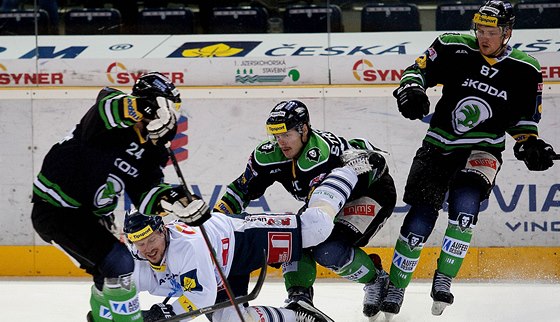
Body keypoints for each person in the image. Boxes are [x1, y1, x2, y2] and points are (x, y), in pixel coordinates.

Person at [382, 0, 557, 319]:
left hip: (483, 150)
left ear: (507, 32)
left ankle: (444, 278)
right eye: (479, 29)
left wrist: (529, 145)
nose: (483, 37)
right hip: (438, 146)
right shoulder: (452, 46)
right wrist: (412, 90)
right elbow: (416, 71)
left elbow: (523, 123)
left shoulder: (526, 69)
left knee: (464, 214)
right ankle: (396, 286)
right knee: (419, 220)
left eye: (491, 31)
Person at [31, 72, 209, 322]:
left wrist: (176, 200)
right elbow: (110, 106)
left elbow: (146, 196)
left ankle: (102, 319)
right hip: (56, 208)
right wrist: (146, 108)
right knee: (120, 263)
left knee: (112, 274)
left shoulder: (150, 152)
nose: (170, 116)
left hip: (90, 219)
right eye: (165, 108)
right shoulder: (109, 113)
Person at [124, 149, 374, 322]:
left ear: (162, 229)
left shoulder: (186, 247)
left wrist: (162, 312)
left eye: (151, 240)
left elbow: (201, 296)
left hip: (241, 239)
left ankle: (346, 170)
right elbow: (117, 286)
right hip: (218, 273)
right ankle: (296, 315)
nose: (147, 249)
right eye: (140, 243)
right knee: (233, 320)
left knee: (315, 227)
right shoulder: (138, 258)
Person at [213, 100, 397, 319]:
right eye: (276, 135)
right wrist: (214, 222)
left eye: (286, 134)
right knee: (292, 239)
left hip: (369, 193)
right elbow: (240, 190)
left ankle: (377, 279)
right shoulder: (268, 155)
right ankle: (299, 298)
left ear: (304, 130)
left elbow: (366, 151)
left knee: (328, 250)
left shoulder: (322, 153)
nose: (281, 142)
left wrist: (371, 157)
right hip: (326, 202)